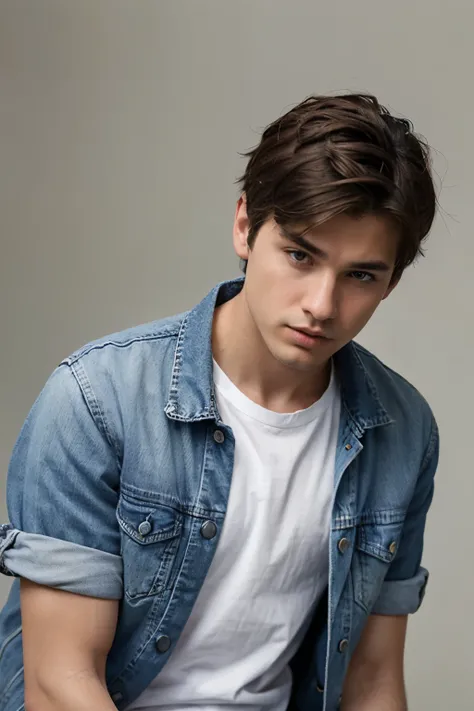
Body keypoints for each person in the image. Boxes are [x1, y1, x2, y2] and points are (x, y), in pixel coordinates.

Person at [0, 93, 439, 711]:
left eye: (360, 275)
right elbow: (59, 681)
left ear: (390, 282)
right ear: (244, 226)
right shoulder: (97, 399)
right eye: (300, 255)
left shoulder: (403, 428)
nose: (321, 303)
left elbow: (372, 683)